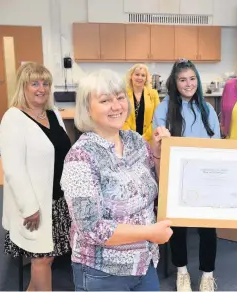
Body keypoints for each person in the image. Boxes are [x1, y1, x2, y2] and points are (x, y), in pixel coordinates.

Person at [60, 69, 173, 291]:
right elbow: (92, 228)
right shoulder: (81, 157)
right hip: (102, 272)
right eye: (105, 100)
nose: (116, 105)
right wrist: (150, 233)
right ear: (87, 110)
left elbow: (157, 186)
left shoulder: (136, 142)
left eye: (120, 97)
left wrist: (160, 154)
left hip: (144, 263)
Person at [0, 62, 72, 291]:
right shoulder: (13, 118)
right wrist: (29, 207)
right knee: (40, 260)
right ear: (24, 86)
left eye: (46, 83)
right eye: (35, 83)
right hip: (34, 205)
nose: (42, 88)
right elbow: (13, 168)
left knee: (47, 258)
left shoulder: (53, 114)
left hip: (57, 199)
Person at [153, 59, 221, 292]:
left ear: (198, 81)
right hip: (176, 181)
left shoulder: (207, 108)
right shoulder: (164, 108)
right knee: (178, 230)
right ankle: (182, 272)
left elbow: (217, 145)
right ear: (175, 82)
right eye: (183, 79)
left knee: (208, 231)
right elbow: (158, 144)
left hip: (205, 180)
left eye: (192, 79)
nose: (188, 84)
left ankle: (207, 275)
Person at [123, 63, 160, 143]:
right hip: (128, 139)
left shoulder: (153, 94)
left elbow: (157, 118)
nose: (140, 77)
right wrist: (131, 136)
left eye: (143, 75)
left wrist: (145, 137)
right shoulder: (123, 94)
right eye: (137, 74)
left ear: (146, 78)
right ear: (131, 76)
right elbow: (121, 117)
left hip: (149, 140)